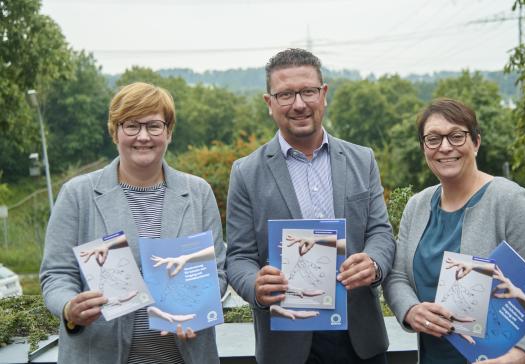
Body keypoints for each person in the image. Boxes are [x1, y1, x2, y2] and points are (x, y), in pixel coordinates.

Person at [226, 48, 395, 364]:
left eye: (308, 92)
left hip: (360, 339)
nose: (299, 104)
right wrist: (255, 285)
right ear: (269, 103)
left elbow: (381, 234)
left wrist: (372, 263)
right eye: (286, 94)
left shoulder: (362, 160)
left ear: (324, 94)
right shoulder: (246, 173)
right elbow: (238, 257)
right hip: (286, 344)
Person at [39, 82, 226, 364]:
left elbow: (218, 272)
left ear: (169, 132)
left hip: (184, 356)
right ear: (114, 131)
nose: (143, 136)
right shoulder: (77, 195)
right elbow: (56, 275)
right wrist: (69, 307)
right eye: (131, 126)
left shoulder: (198, 193)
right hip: (99, 354)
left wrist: (199, 309)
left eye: (154, 126)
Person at [383, 98, 525, 364]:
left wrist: (521, 355)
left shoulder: (510, 200)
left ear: (476, 142)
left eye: (457, 136)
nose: (445, 147)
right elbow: (397, 276)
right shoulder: (417, 206)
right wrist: (410, 310)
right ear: (424, 148)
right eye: (433, 139)